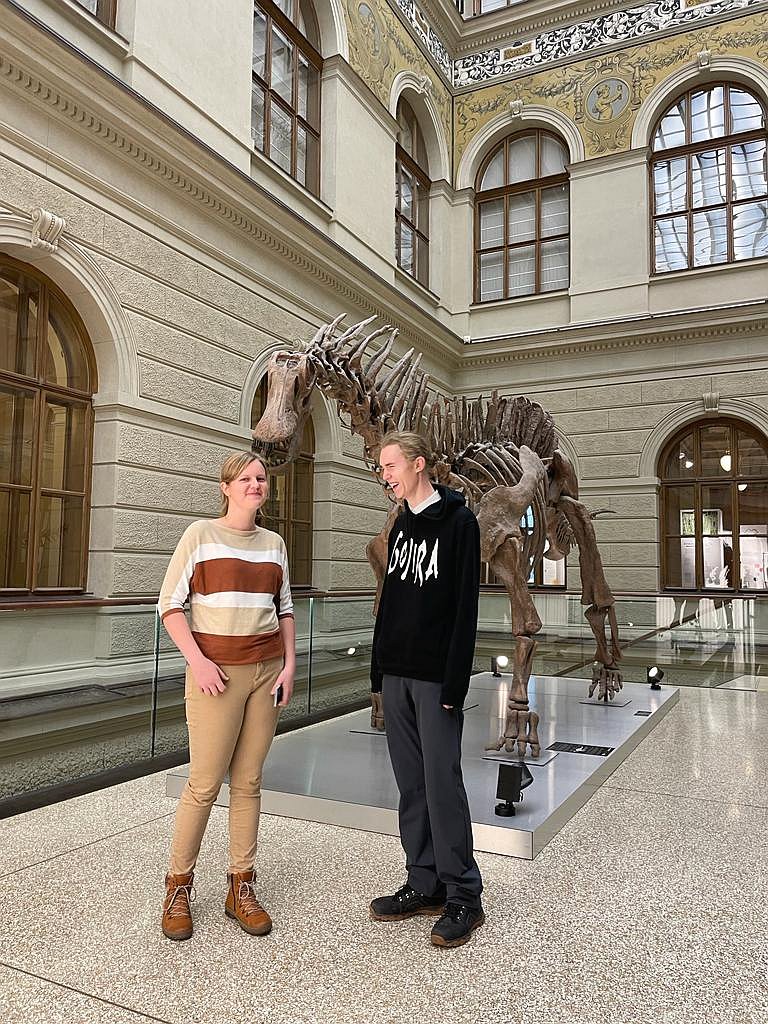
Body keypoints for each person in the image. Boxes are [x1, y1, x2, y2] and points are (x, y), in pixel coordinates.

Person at [157, 451, 295, 941]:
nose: (255, 485)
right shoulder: (200, 535)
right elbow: (170, 605)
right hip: (215, 675)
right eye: (245, 479)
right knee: (203, 784)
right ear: (226, 487)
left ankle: (241, 886)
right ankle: (178, 888)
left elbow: (284, 608)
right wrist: (197, 662)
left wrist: (289, 665)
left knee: (249, 781)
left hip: (266, 673)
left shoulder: (275, 544)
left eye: (261, 478)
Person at [369, 430, 484, 948]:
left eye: (391, 466)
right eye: (382, 468)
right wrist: (379, 671)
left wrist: (455, 682)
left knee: (442, 784)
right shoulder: (401, 525)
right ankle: (424, 881)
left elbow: (464, 609)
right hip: (398, 675)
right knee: (411, 785)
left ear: (418, 465)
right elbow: (390, 601)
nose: (385, 476)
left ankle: (464, 895)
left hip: (437, 678)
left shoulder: (460, 523)